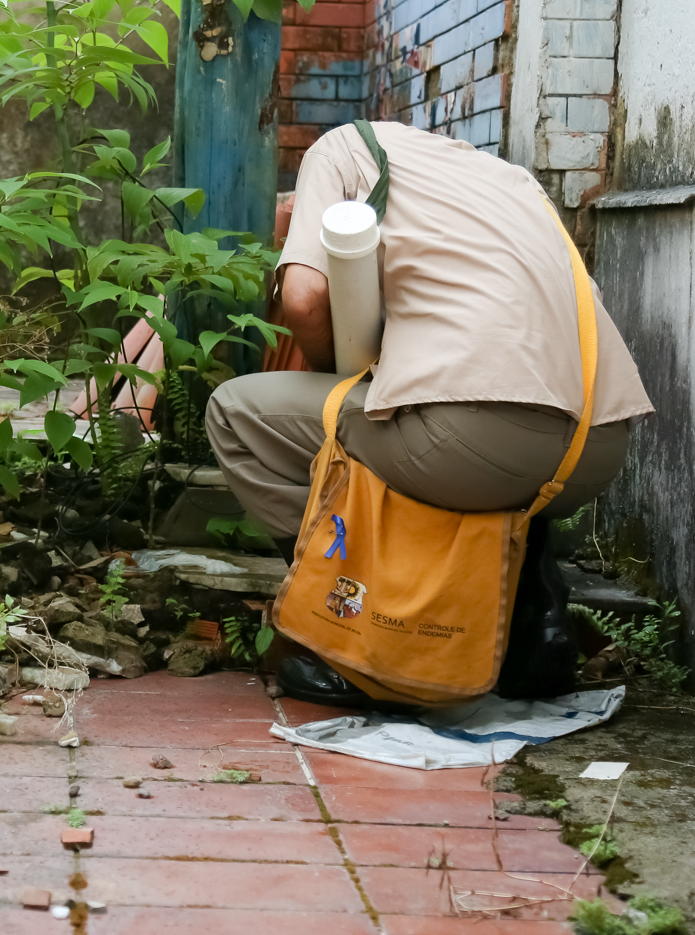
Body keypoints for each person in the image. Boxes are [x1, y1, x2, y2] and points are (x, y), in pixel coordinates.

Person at [205, 121, 655, 706]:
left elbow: (305, 297)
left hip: (470, 444)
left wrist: (339, 378)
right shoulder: (511, 181)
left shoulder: (342, 148)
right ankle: (530, 617)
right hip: (596, 451)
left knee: (235, 412)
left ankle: (372, 644)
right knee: (460, 446)